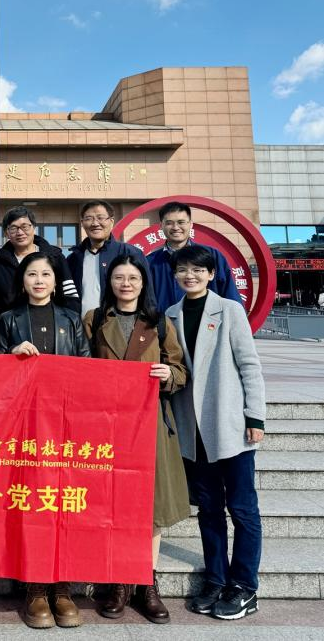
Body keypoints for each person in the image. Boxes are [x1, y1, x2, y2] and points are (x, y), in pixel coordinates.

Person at [83, 254, 190, 625]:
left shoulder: (159, 321)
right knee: (112, 504)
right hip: (107, 425)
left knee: (150, 507)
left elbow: (179, 368)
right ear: (110, 282)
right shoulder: (95, 319)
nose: (125, 284)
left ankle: (146, 582)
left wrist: (168, 375)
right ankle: (118, 582)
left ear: (143, 283)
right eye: (119, 277)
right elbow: (80, 366)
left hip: (150, 423)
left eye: (132, 278)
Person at [166, 245, 265, 621]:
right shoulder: (170, 315)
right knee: (208, 510)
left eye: (197, 269)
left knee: (242, 509)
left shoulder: (230, 310)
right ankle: (216, 579)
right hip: (193, 432)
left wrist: (255, 417)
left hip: (230, 425)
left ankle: (245, 587)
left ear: (211, 274)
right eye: (183, 269)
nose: (189, 275)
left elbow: (249, 365)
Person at [0, 251, 89, 629]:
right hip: (24, 427)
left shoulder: (71, 319)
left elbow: (86, 368)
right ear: (22, 281)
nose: (38, 280)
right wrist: (11, 355)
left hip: (64, 426)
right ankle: (34, 587)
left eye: (45, 274)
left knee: (63, 503)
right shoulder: (8, 320)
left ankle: (62, 587)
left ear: (55, 281)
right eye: (32, 274)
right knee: (32, 503)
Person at [0, 206, 79, 339]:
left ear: (34, 228)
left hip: (53, 329)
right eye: (13, 228)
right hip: (12, 332)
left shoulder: (55, 257)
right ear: (6, 233)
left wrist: (72, 331)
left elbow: (70, 297)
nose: (20, 232)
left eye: (25, 226)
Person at [147, 201, 242, 312]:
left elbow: (230, 293)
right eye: (169, 223)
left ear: (191, 224)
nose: (175, 227)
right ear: (161, 226)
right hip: (165, 321)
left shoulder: (212, 255)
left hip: (209, 320)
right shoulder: (150, 262)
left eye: (181, 222)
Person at [67, 199, 155, 319]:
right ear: (82, 223)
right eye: (89, 218)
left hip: (120, 324)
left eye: (101, 218)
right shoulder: (74, 258)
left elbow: (148, 293)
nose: (95, 223)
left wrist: (149, 321)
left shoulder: (129, 253)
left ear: (111, 221)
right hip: (82, 325)